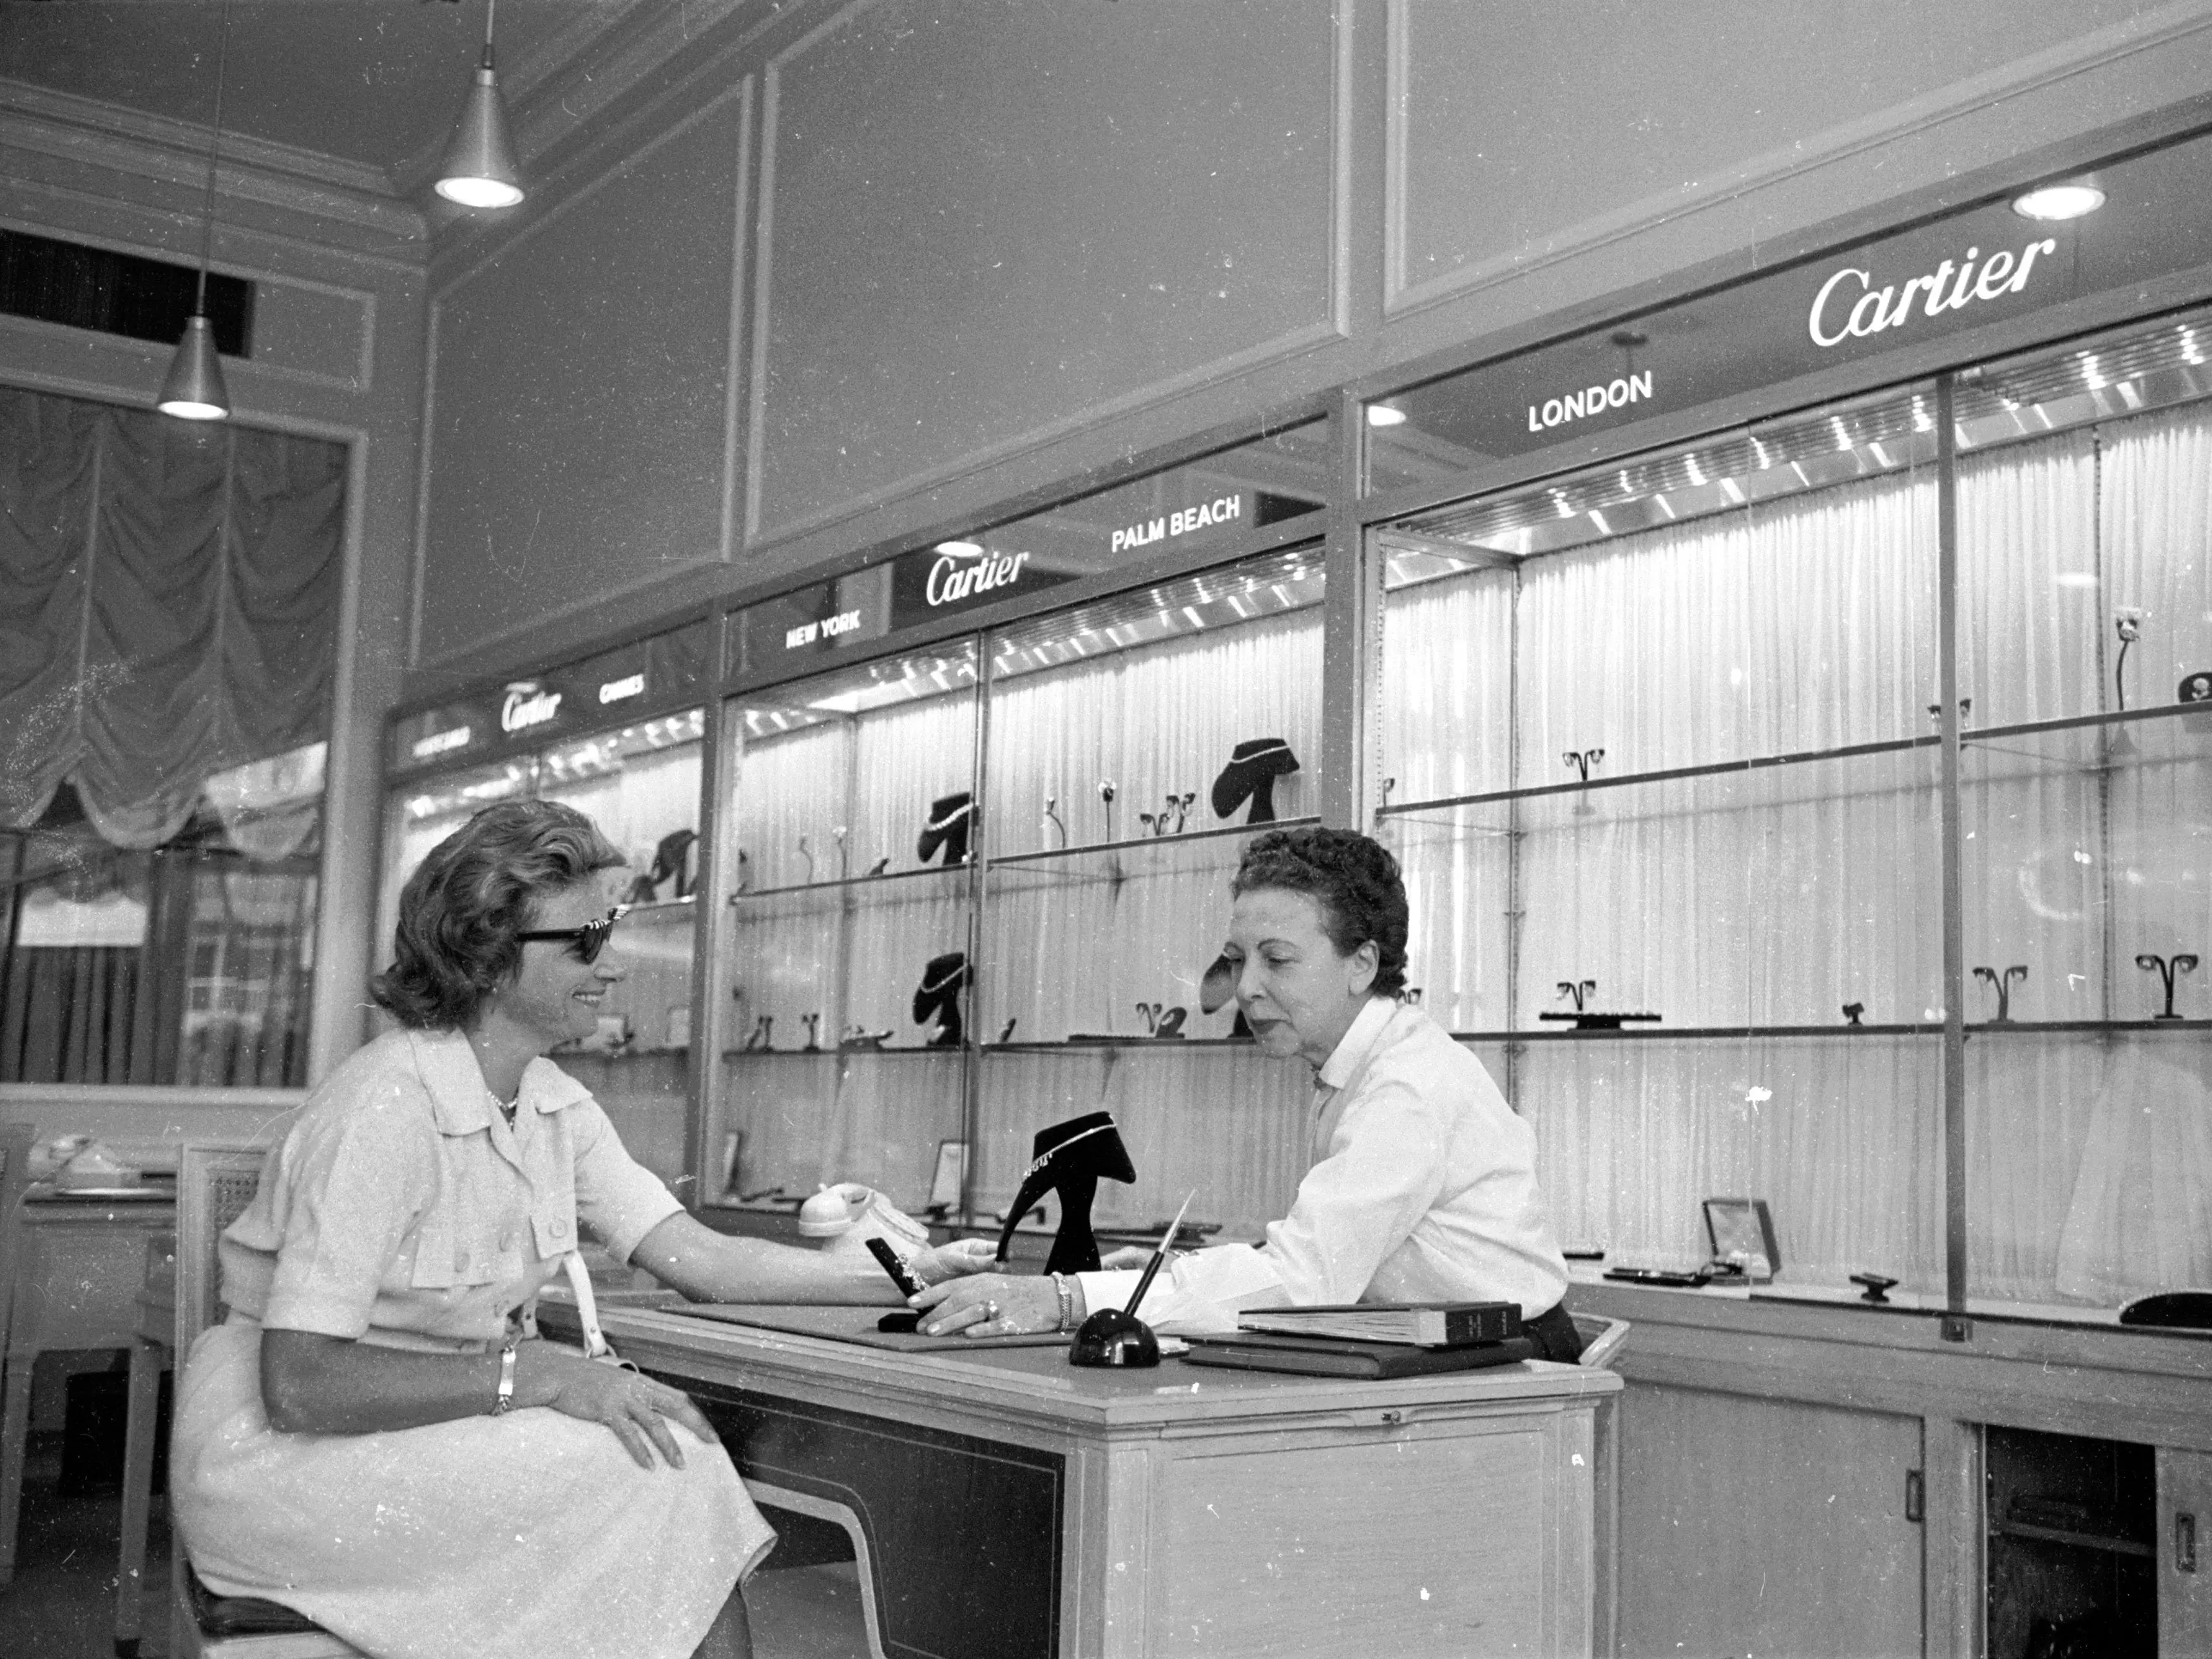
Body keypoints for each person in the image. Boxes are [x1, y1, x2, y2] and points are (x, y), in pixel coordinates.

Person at [170, 801, 992, 1659]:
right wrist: (541, 1372)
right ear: (487, 952)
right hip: (288, 1459)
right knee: (656, 1466)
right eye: (585, 943)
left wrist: (909, 1272)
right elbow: (301, 1383)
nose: (614, 968)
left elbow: (702, 1258)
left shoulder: (554, 1102)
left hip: (427, 1424)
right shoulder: (383, 1106)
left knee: (665, 1457)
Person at [912, 825, 1584, 1363]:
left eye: (1277, 959)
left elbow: (1301, 1281)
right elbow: (1326, 1256)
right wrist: (1177, 1272)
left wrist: (1063, 1298)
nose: (1245, 989)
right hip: (1449, 1345)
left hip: (1509, 1368)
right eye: (1238, 959)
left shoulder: (1405, 1088)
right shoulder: (1361, 1061)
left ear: (1362, 963)